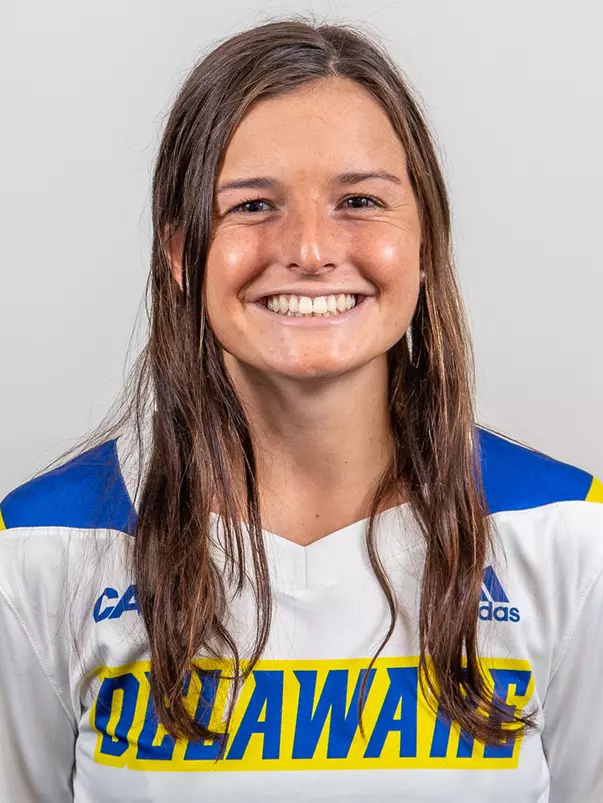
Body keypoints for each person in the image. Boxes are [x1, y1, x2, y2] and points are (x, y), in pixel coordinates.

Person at [0, 16, 601, 803]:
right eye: (253, 206)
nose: (312, 249)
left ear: (421, 246)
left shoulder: (564, 532)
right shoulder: (45, 548)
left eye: (358, 200)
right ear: (181, 254)